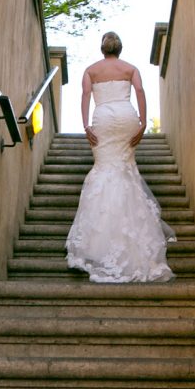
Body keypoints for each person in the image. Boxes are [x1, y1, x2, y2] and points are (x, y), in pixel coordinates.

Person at [65, 31, 175, 283]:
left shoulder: (91, 70)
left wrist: (86, 126)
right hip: (126, 116)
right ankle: (133, 238)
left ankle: (96, 241)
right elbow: (139, 91)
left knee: (103, 168)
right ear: (120, 48)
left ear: (102, 48)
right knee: (125, 168)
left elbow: (84, 96)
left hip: (103, 117)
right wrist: (143, 122)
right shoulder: (130, 68)